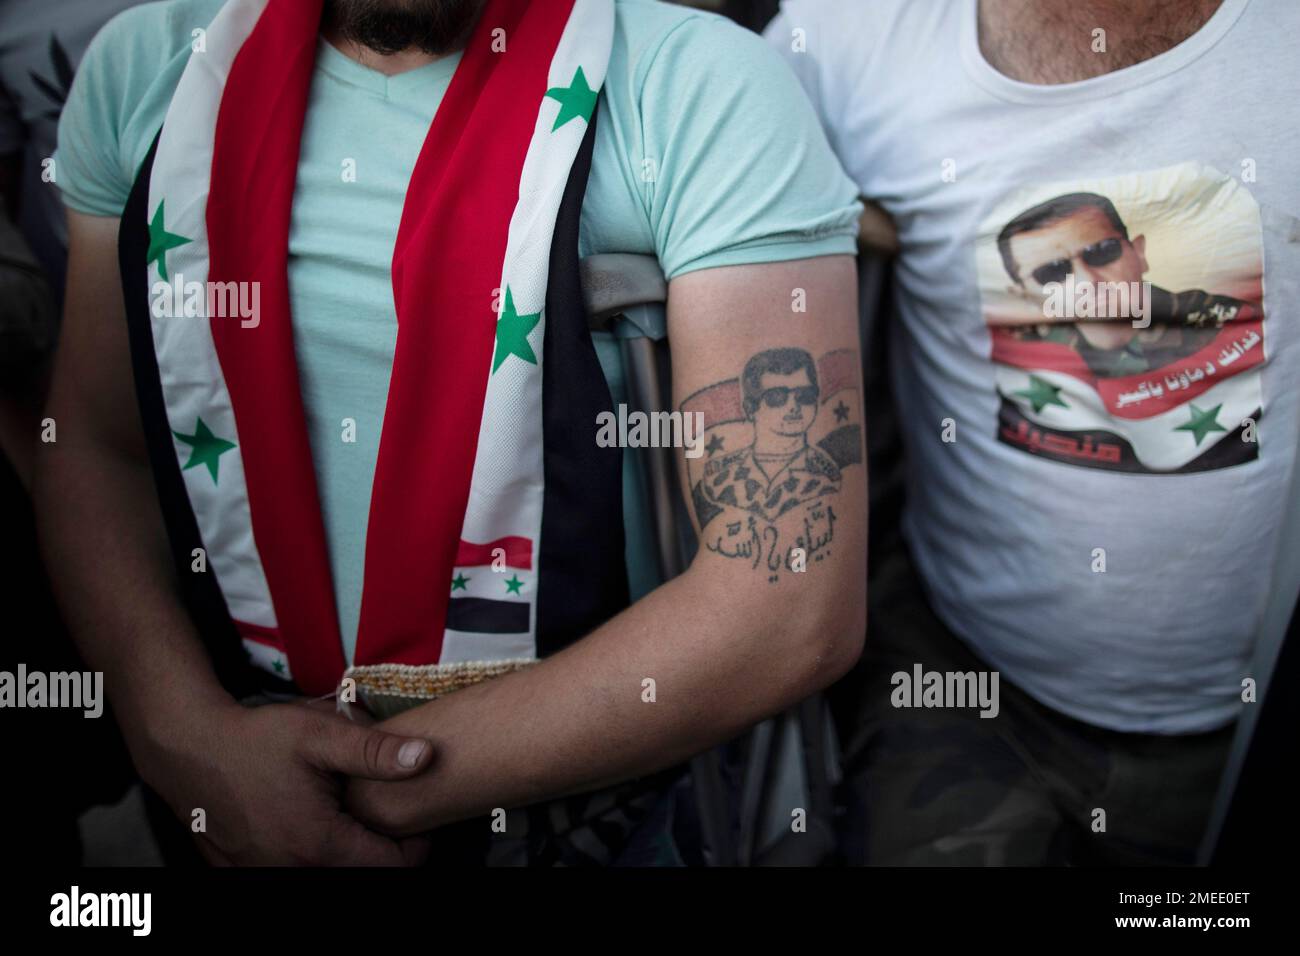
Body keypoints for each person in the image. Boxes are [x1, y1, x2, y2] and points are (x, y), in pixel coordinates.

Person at [38, 0, 867, 865]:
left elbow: (786, 601)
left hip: (595, 799)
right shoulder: (149, 69)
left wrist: (341, 800)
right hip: (232, 773)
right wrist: (187, 738)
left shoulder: (696, 85)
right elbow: (100, 450)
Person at [767, 0, 1297, 863]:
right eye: (1051, 272)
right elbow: (700, 149)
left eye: (1099, 254)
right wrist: (841, 211)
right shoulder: (853, 30)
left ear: (1140, 252)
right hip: (964, 681)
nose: (1084, 285)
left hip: (1253, 722)